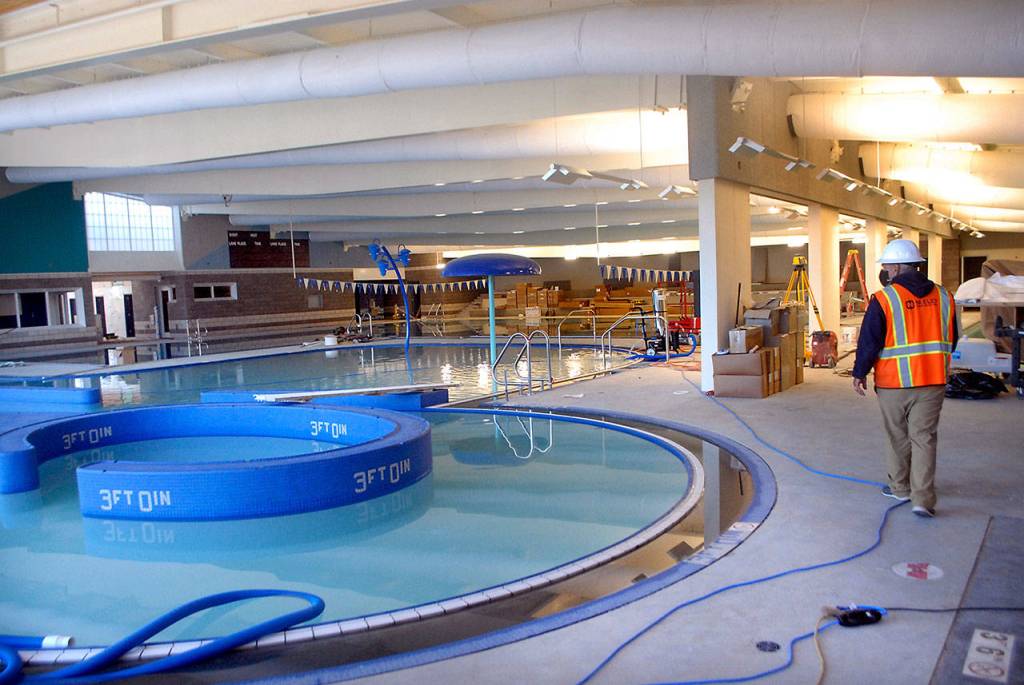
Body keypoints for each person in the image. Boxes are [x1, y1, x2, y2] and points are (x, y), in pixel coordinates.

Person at [852, 239, 957, 518]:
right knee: (924, 438)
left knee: (897, 436)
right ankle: (922, 499)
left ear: (897, 267)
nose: (885, 270)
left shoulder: (885, 298)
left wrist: (859, 372)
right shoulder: (945, 296)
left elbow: (869, 342)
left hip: (893, 382)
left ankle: (900, 488)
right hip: (933, 380)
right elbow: (952, 338)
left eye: (887, 266)